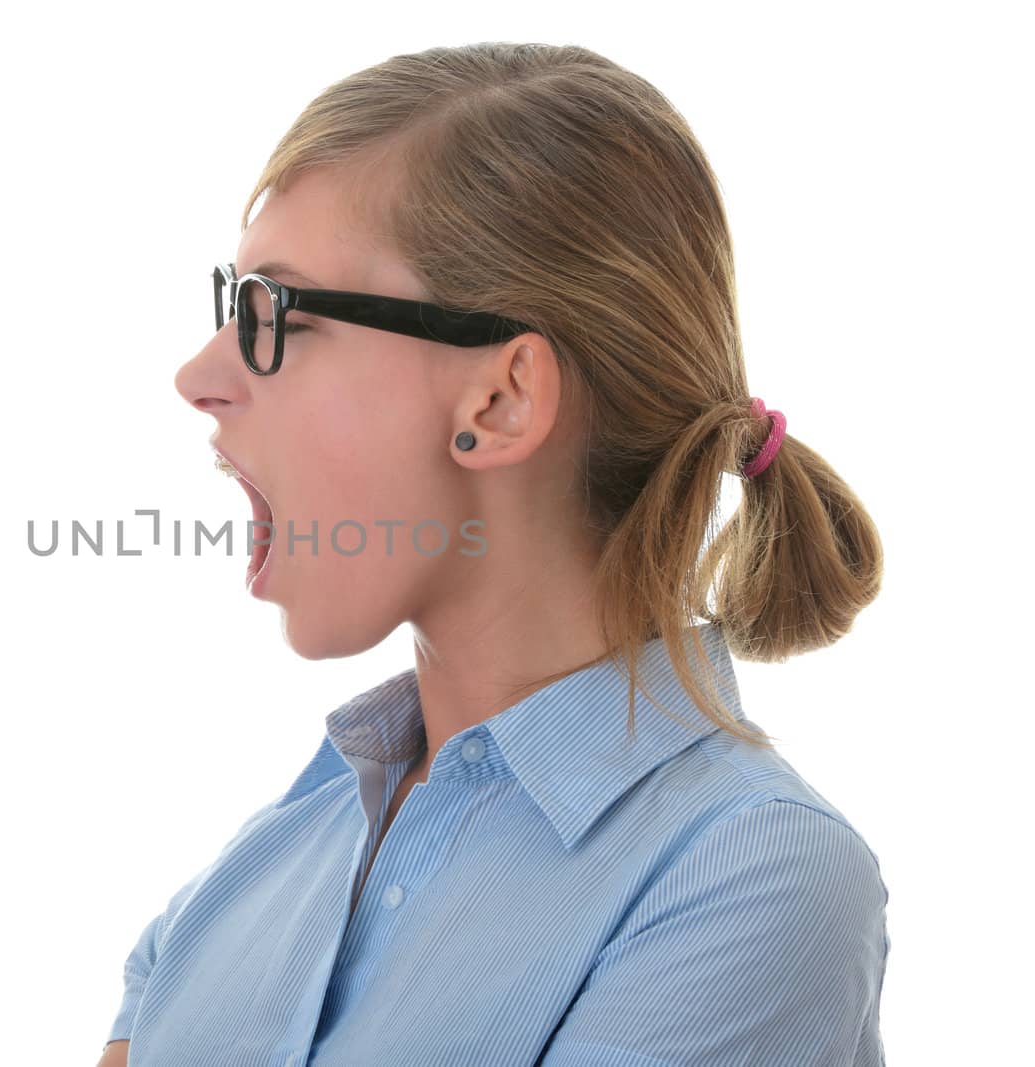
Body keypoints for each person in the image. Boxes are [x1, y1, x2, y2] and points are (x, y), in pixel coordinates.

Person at [96, 42, 887, 1067]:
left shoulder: (752, 879)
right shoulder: (251, 868)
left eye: (273, 314)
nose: (197, 374)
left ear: (501, 398)